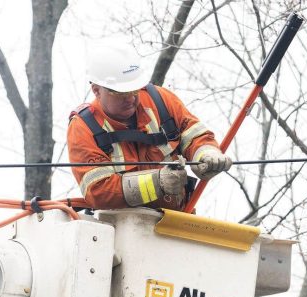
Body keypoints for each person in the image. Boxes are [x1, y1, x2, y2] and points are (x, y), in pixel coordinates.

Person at [67, 44, 232, 210]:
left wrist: (206, 154)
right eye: (122, 93)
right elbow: (99, 192)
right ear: (96, 90)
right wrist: (157, 183)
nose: (131, 98)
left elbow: (194, 135)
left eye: (135, 90)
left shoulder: (160, 101)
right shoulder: (83, 127)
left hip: (176, 220)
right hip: (122, 228)